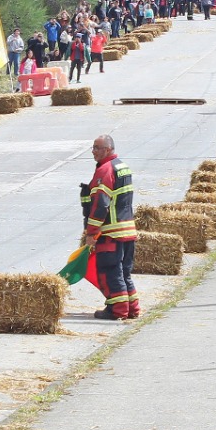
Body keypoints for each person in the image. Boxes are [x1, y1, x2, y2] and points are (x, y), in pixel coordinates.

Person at [85, 135, 138, 320]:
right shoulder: (122, 167)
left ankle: (117, 311)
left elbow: (101, 204)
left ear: (108, 149)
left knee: (110, 271)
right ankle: (132, 309)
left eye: (97, 147)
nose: (93, 151)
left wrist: (91, 232)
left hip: (111, 233)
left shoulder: (105, 170)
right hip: (128, 230)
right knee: (124, 272)